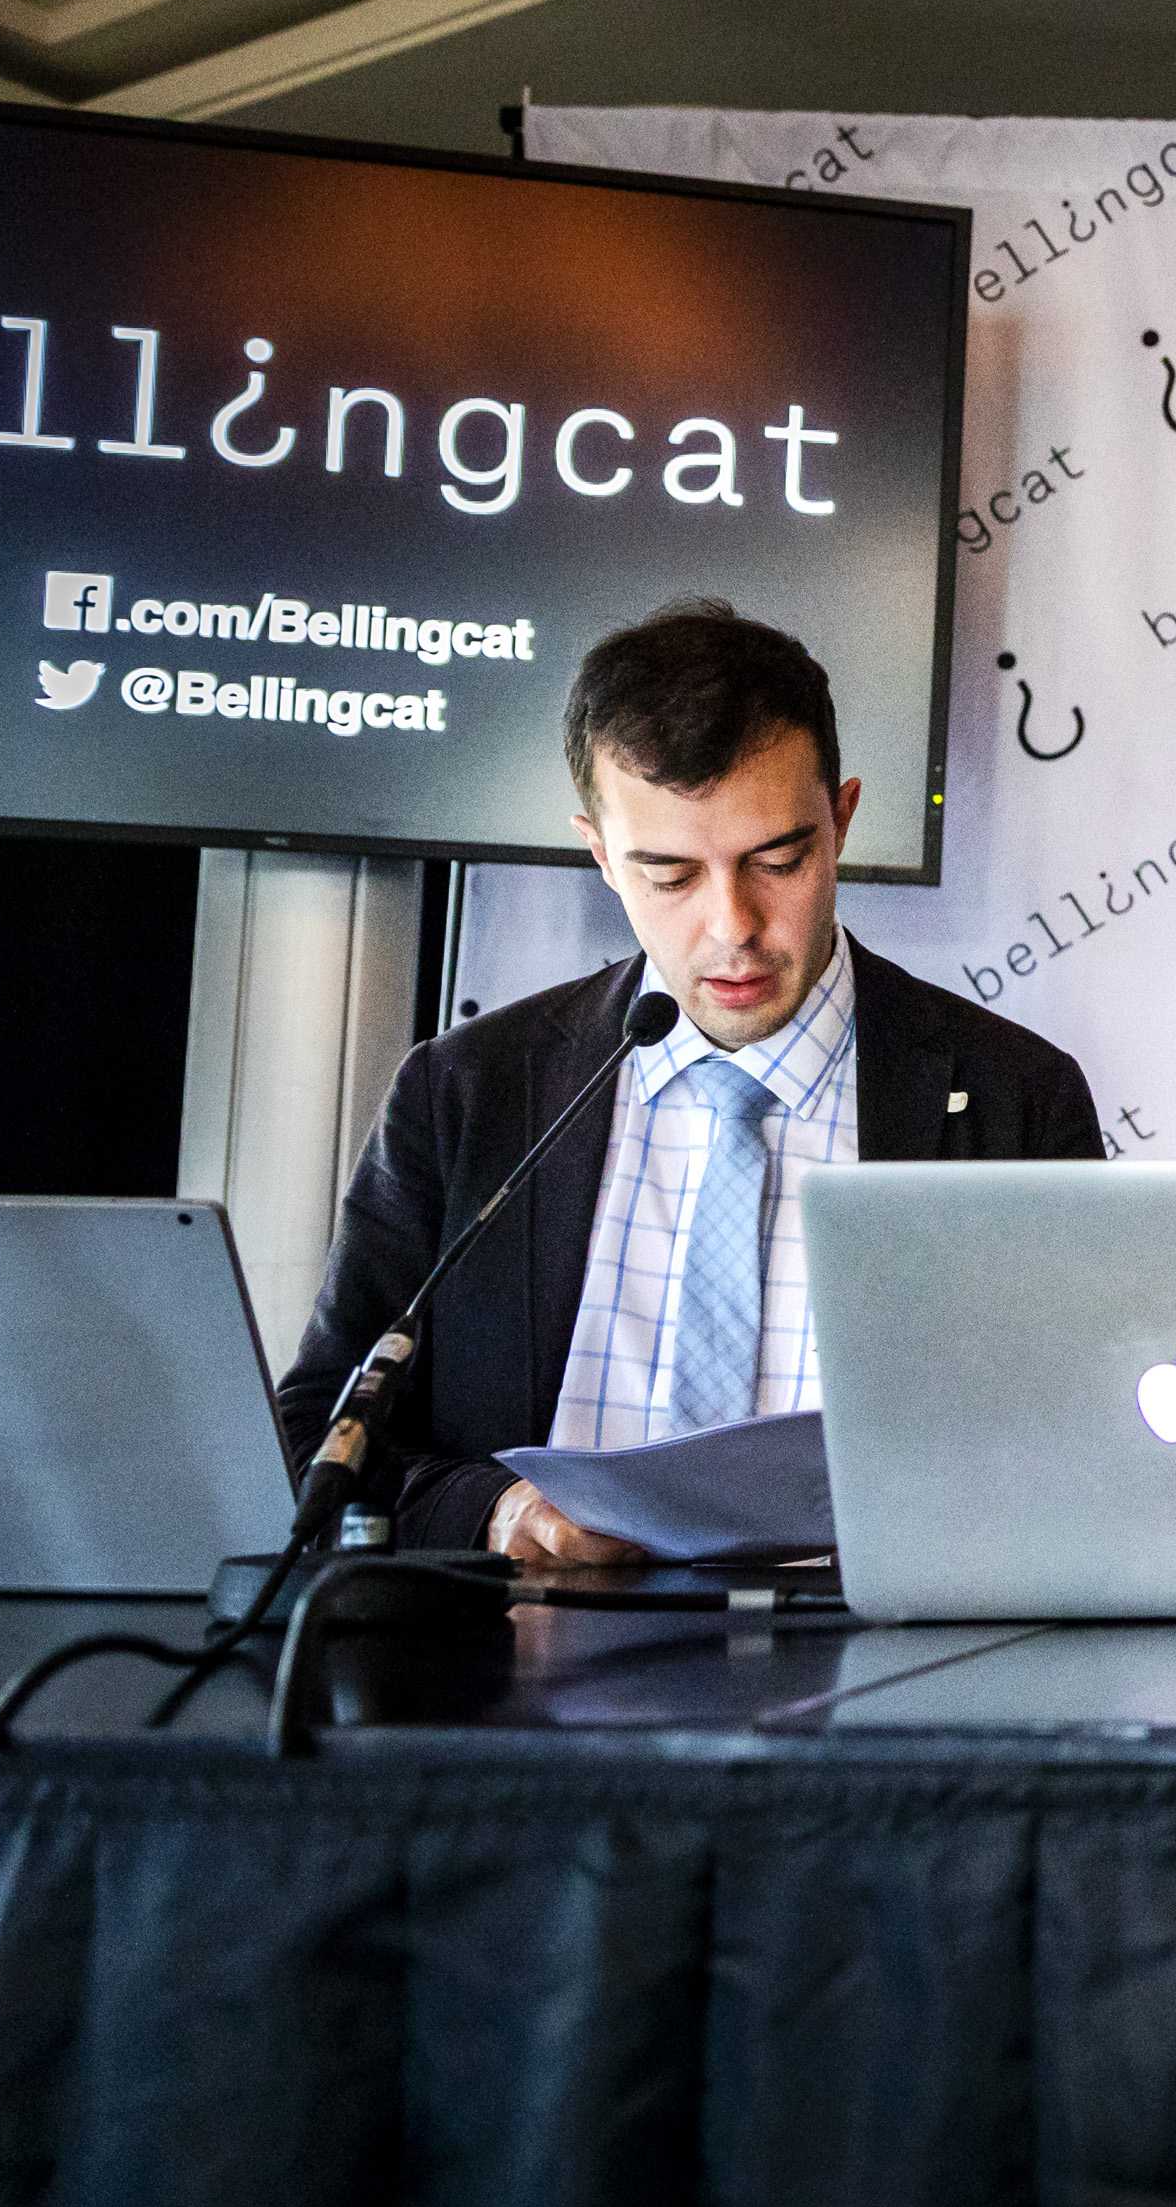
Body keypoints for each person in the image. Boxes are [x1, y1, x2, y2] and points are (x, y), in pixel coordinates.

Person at [273, 600, 1101, 1560]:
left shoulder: (1014, 1099)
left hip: (876, 1667)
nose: (733, 925)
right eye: (668, 875)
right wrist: (500, 1515)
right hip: (517, 1661)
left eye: (779, 860)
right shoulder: (466, 1093)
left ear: (840, 820)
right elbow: (322, 1432)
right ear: (600, 855)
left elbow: (1079, 1444)